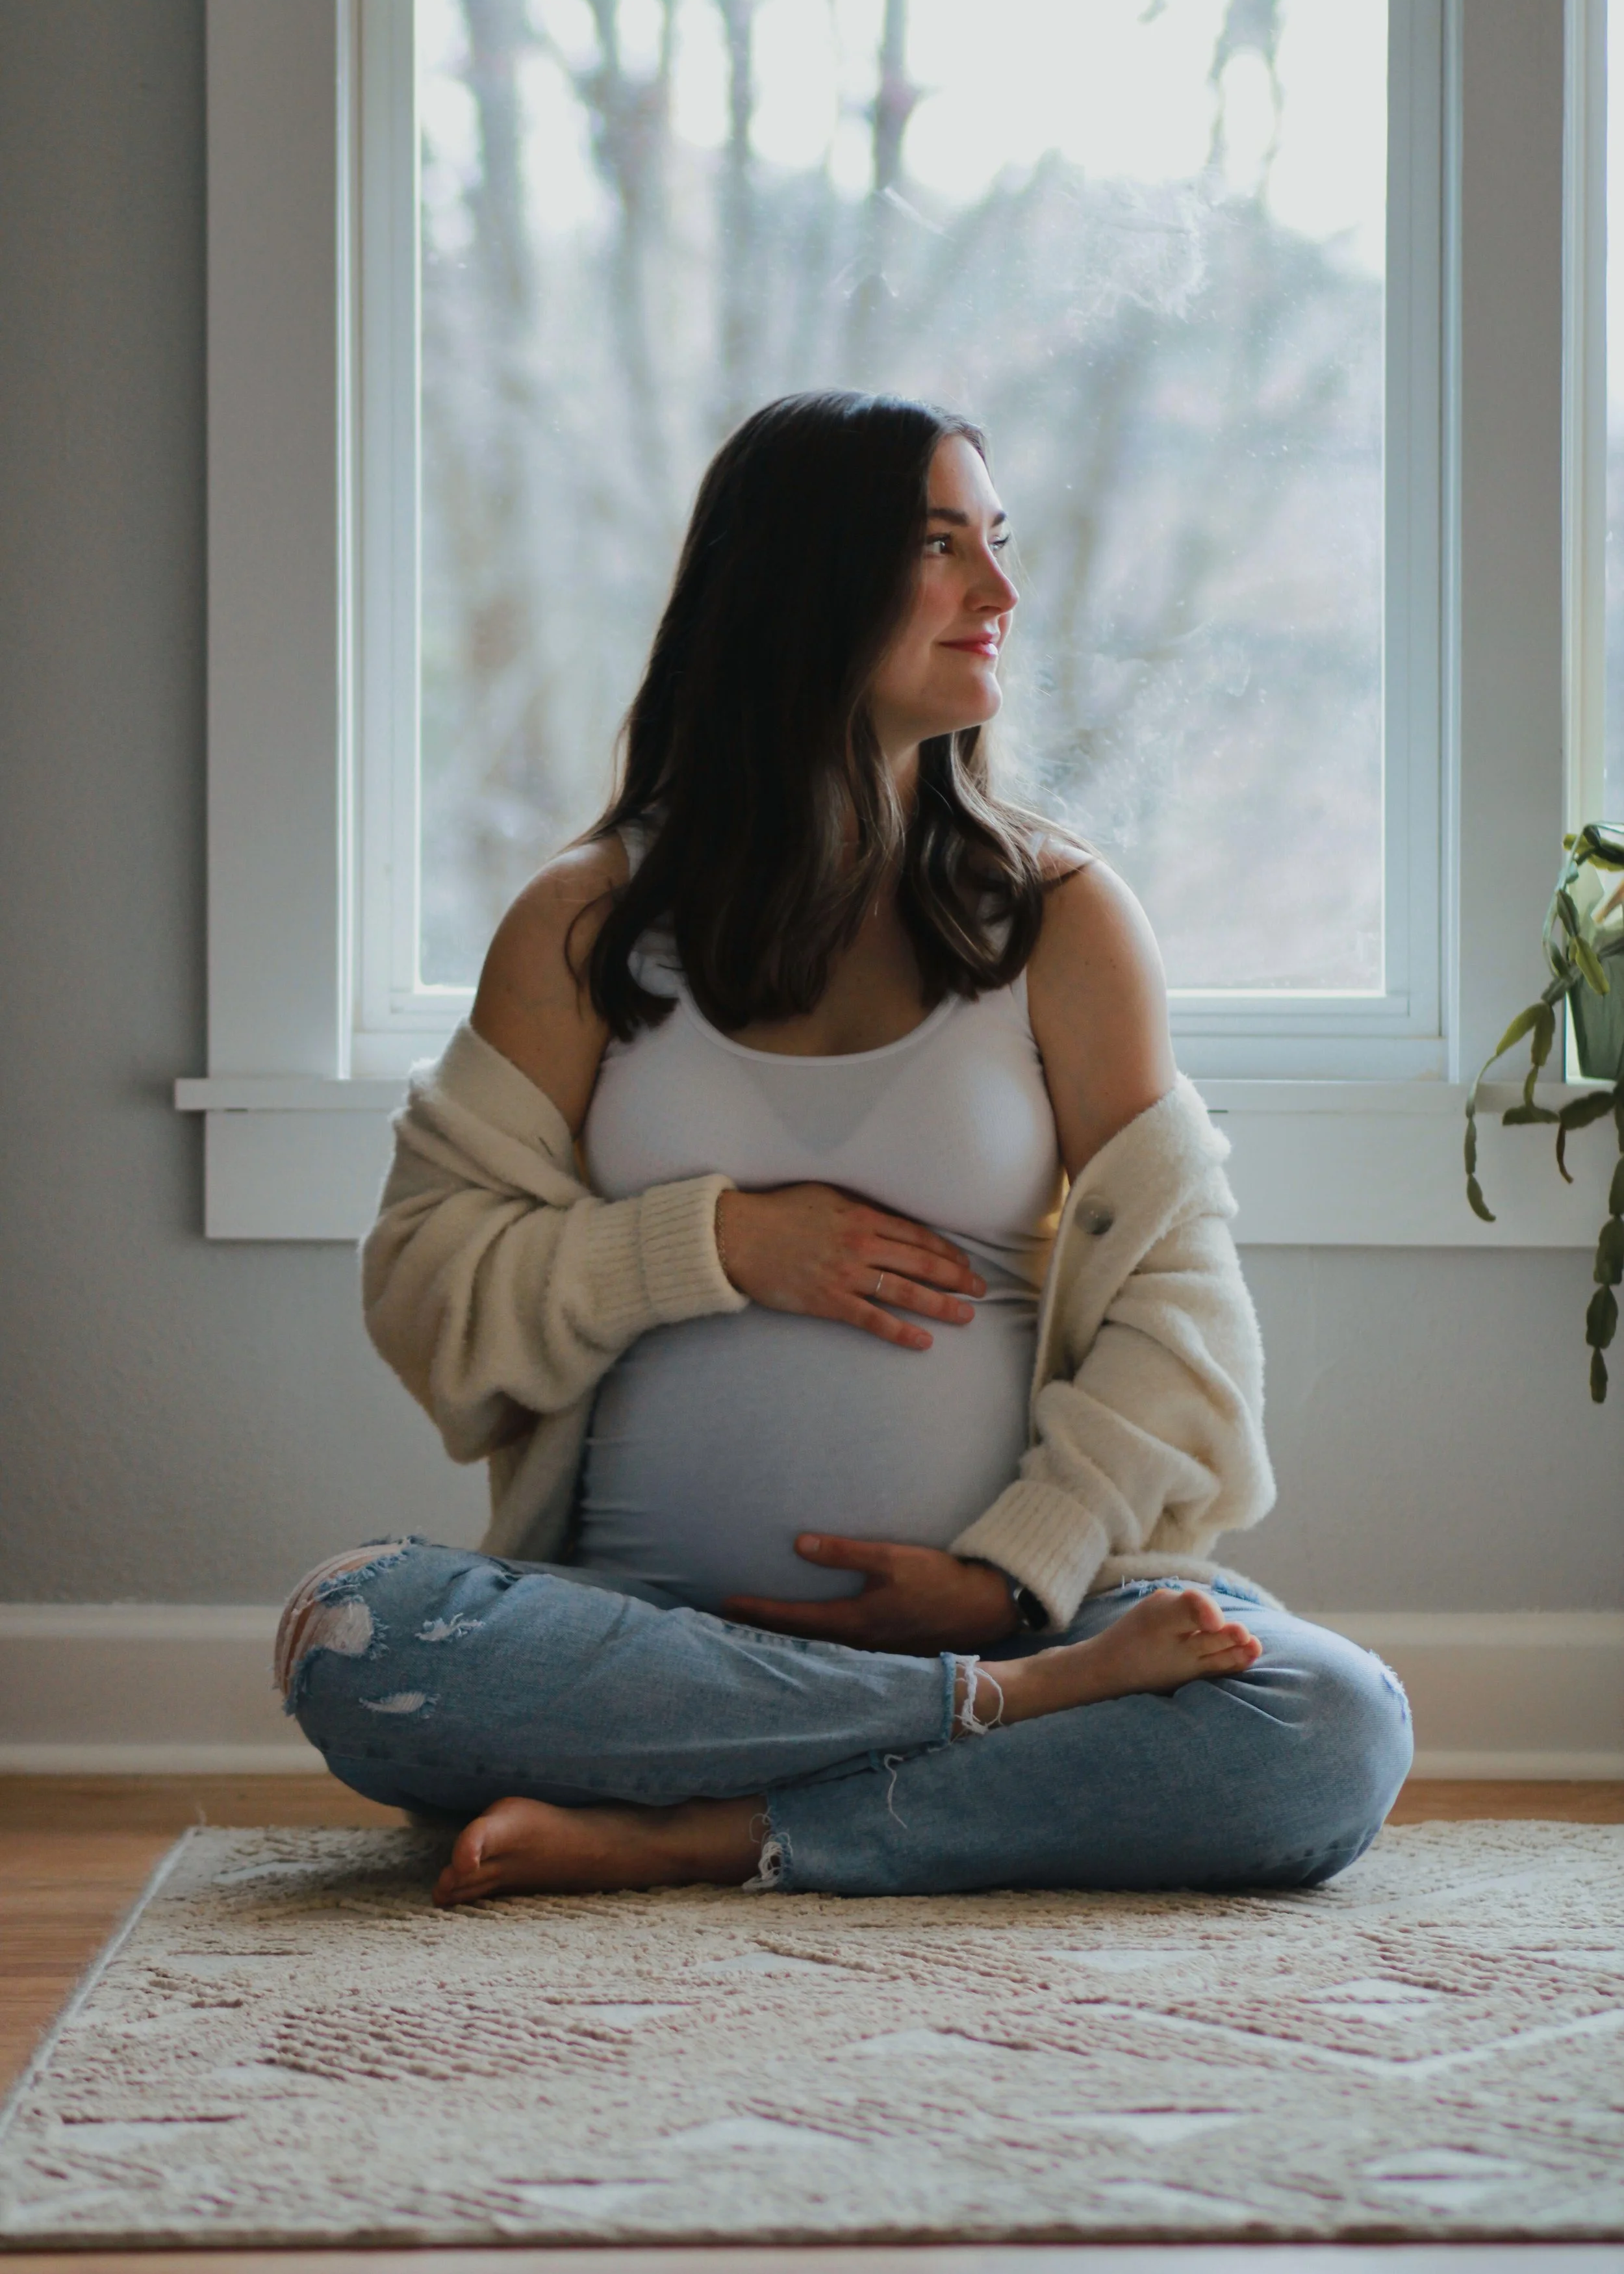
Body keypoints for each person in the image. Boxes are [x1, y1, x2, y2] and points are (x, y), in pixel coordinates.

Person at [277, 390, 1412, 1906]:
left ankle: (717, 1825)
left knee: (1329, 1728)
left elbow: (1181, 1319)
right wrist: (711, 1242)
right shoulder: (583, 923)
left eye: (995, 545)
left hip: (1015, 1612)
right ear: (800, 583)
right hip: (642, 1625)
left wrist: (1013, 1576)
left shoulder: (1059, 920)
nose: (998, 596)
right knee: (350, 1634)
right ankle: (978, 1742)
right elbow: (430, 1287)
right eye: (941, 548)